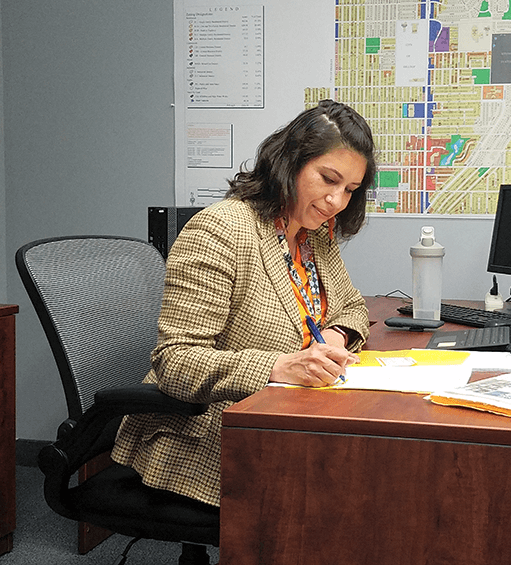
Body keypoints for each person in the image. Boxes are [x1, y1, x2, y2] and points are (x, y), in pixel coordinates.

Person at [111, 100, 376, 507]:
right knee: (351, 490)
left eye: (350, 190)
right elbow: (175, 361)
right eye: (328, 179)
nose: (337, 201)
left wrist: (337, 338)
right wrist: (280, 365)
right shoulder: (221, 229)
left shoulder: (314, 234)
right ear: (290, 163)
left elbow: (354, 307)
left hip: (291, 412)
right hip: (214, 429)